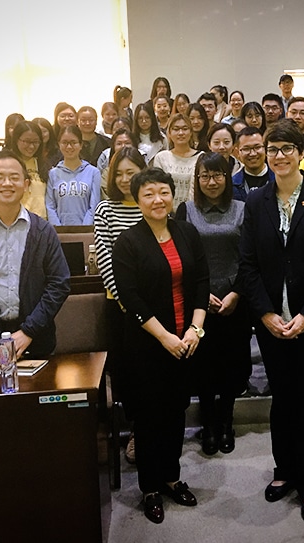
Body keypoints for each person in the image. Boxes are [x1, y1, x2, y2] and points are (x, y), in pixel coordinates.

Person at [238, 119, 304, 524]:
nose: (279, 156)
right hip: (271, 321)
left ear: (301, 152)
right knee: (281, 400)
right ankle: (284, 471)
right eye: (272, 149)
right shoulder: (255, 201)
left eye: (286, 149)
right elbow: (247, 263)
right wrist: (265, 312)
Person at [112, 167, 209, 525]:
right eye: (149, 194)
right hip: (148, 343)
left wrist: (195, 330)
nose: (157, 199)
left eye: (163, 192)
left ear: (173, 194)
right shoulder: (128, 241)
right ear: (138, 200)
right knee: (150, 418)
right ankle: (150, 488)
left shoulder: (187, 232)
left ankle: (171, 477)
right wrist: (165, 336)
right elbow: (130, 297)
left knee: (175, 413)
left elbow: (201, 280)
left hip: (186, 340)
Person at [0, 150, 71, 359]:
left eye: (14, 177)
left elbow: (59, 284)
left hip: (37, 343)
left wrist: (28, 332)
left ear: (26, 185)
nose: (7, 183)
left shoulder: (44, 232)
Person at [176, 153, 250, 456]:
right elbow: (181, 257)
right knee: (204, 368)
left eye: (218, 175)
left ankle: (226, 422)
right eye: (205, 176)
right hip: (199, 303)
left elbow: (252, 257)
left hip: (235, 301)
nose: (211, 181)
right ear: (197, 179)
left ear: (227, 177)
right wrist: (201, 294)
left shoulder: (244, 209)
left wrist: (236, 293)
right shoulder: (186, 210)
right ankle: (208, 424)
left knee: (232, 367)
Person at [94, 147, 147, 464]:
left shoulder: (153, 204)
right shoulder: (105, 210)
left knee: (154, 374)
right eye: (120, 173)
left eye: (132, 172)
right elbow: (105, 262)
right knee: (128, 375)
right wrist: (132, 305)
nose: (126, 179)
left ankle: (151, 431)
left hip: (155, 308)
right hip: (122, 309)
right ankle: (135, 433)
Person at [46, 125, 101, 226]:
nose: (69, 147)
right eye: (65, 143)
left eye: (73, 142)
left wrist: (83, 229)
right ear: (59, 144)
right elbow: (50, 206)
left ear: (80, 144)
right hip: (59, 233)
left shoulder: (93, 172)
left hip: (86, 231)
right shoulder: (52, 174)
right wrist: (59, 229)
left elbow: (94, 206)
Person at [153, 114, 202, 211]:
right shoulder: (161, 158)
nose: (180, 133)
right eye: (176, 129)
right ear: (169, 133)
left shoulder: (200, 157)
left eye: (185, 128)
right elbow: (158, 188)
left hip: (193, 212)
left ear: (191, 132)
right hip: (167, 212)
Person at [11, 121, 48, 219]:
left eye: (35, 142)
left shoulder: (43, 165)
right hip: (18, 220)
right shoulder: (9, 164)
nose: (31, 146)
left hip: (42, 221)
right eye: (27, 141)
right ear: (16, 140)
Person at [232, 126, 275, 201]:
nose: (252, 153)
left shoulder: (279, 179)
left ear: (266, 148)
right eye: (246, 149)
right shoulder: (232, 184)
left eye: (257, 147)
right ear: (237, 152)